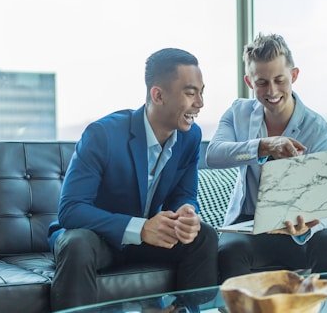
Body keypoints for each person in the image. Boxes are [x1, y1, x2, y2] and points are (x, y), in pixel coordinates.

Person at [47, 48, 218, 310]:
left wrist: (186, 213)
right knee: (77, 244)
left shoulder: (190, 137)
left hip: (146, 239)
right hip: (98, 238)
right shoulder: (102, 135)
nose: (200, 103)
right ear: (158, 95)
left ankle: (183, 309)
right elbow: (71, 210)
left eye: (201, 91)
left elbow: (184, 194)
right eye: (190, 92)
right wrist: (140, 228)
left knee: (203, 235)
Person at [206, 33, 327, 282]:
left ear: (294, 75)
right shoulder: (238, 113)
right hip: (249, 225)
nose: (272, 91)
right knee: (229, 251)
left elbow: (325, 202)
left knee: (326, 244)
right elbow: (213, 155)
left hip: (300, 227)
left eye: (280, 80)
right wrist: (263, 146)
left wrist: (305, 225)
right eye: (262, 83)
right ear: (249, 81)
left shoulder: (318, 130)